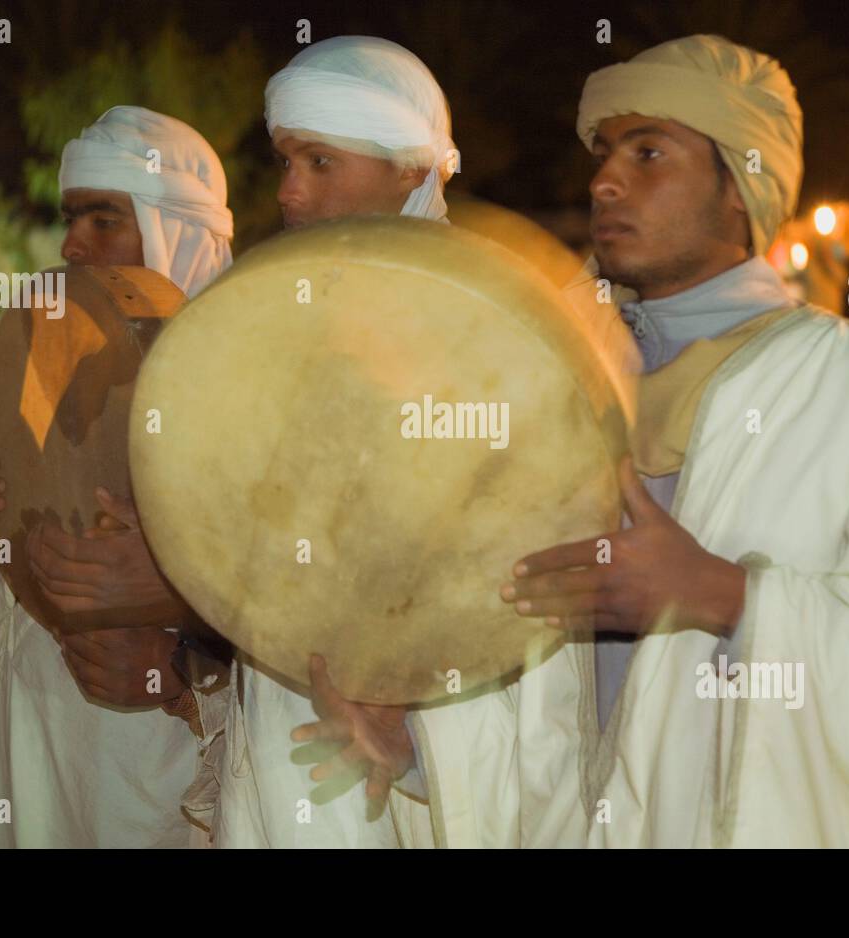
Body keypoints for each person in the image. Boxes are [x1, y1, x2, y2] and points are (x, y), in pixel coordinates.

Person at [503, 34, 849, 847]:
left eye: (650, 153)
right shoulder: (549, 384)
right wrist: (417, 756)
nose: (604, 180)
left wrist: (723, 594)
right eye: (605, 153)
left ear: (742, 184)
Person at [185, 36, 595, 850]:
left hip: (433, 747)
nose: (292, 192)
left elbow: (523, 586)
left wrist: (419, 735)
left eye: (321, 162)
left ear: (411, 168)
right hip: (287, 725)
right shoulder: (282, 324)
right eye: (285, 162)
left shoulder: (493, 331)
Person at [0, 106, 234, 847]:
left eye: (105, 221)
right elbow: (19, 568)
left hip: (148, 778)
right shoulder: (52, 358)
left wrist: (183, 673)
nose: (72, 244)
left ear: (179, 236)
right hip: (31, 744)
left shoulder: (243, 399)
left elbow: (296, 627)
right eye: (71, 219)